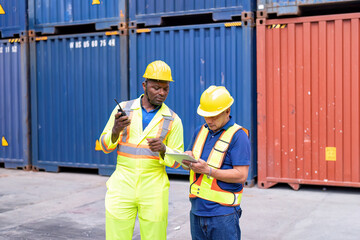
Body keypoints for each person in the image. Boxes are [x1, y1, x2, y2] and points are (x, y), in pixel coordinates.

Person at [99, 60, 184, 240]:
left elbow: (178, 162)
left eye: (165, 88)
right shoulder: (124, 109)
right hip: (122, 185)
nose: (161, 93)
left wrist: (163, 149)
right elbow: (104, 146)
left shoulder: (173, 120)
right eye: (155, 88)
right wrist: (115, 130)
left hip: (153, 188)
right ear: (144, 85)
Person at [182, 85, 250, 240]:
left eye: (214, 116)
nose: (209, 120)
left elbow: (241, 175)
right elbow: (193, 161)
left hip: (223, 215)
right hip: (197, 212)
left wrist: (209, 171)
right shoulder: (200, 131)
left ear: (228, 111)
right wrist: (187, 159)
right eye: (206, 115)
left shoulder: (239, 136)